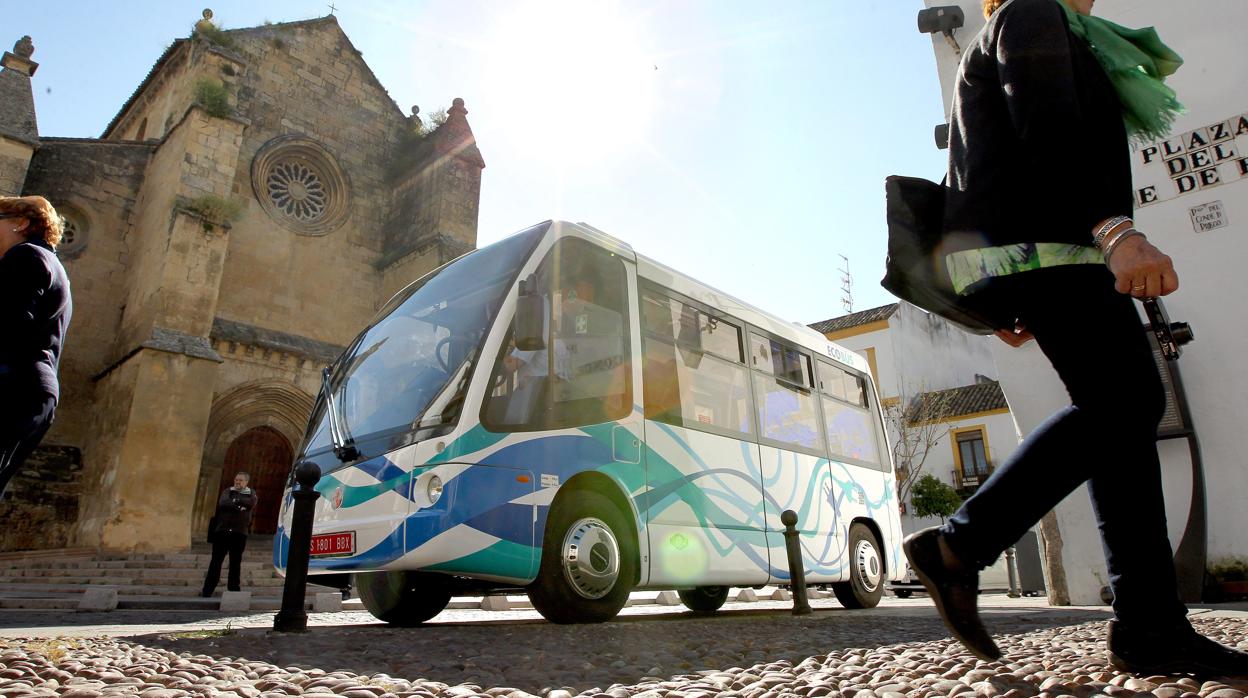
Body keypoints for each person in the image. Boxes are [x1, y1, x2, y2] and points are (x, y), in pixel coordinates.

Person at [902, 0, 1248, 676]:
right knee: (1124, 405)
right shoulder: (1032, 12)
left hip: (1048, 257)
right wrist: (1117, 232)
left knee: (1121, 417)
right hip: (1055, 252)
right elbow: (1048, 128)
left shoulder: (1031, 26)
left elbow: (989, 163)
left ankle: (1149, 626)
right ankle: (957, 547)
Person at [0, 196, 72, 496]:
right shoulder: (52, 265)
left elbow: (7, 326)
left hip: (12, 384)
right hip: (33, 392)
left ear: (21, 223)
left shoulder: (26, 256)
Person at [201, 472, 257, 597]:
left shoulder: (251, 493)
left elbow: (250, 503)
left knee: (235, 562)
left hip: (239, 533)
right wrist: (239, 505)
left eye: (241, 480)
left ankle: (233, 589)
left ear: (246, 482)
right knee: (216, 561)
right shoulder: (227, 491)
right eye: (236, 480)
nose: (237, 482)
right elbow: (223, 503)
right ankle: (207, 590)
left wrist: (236, 502)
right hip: (223, 532)